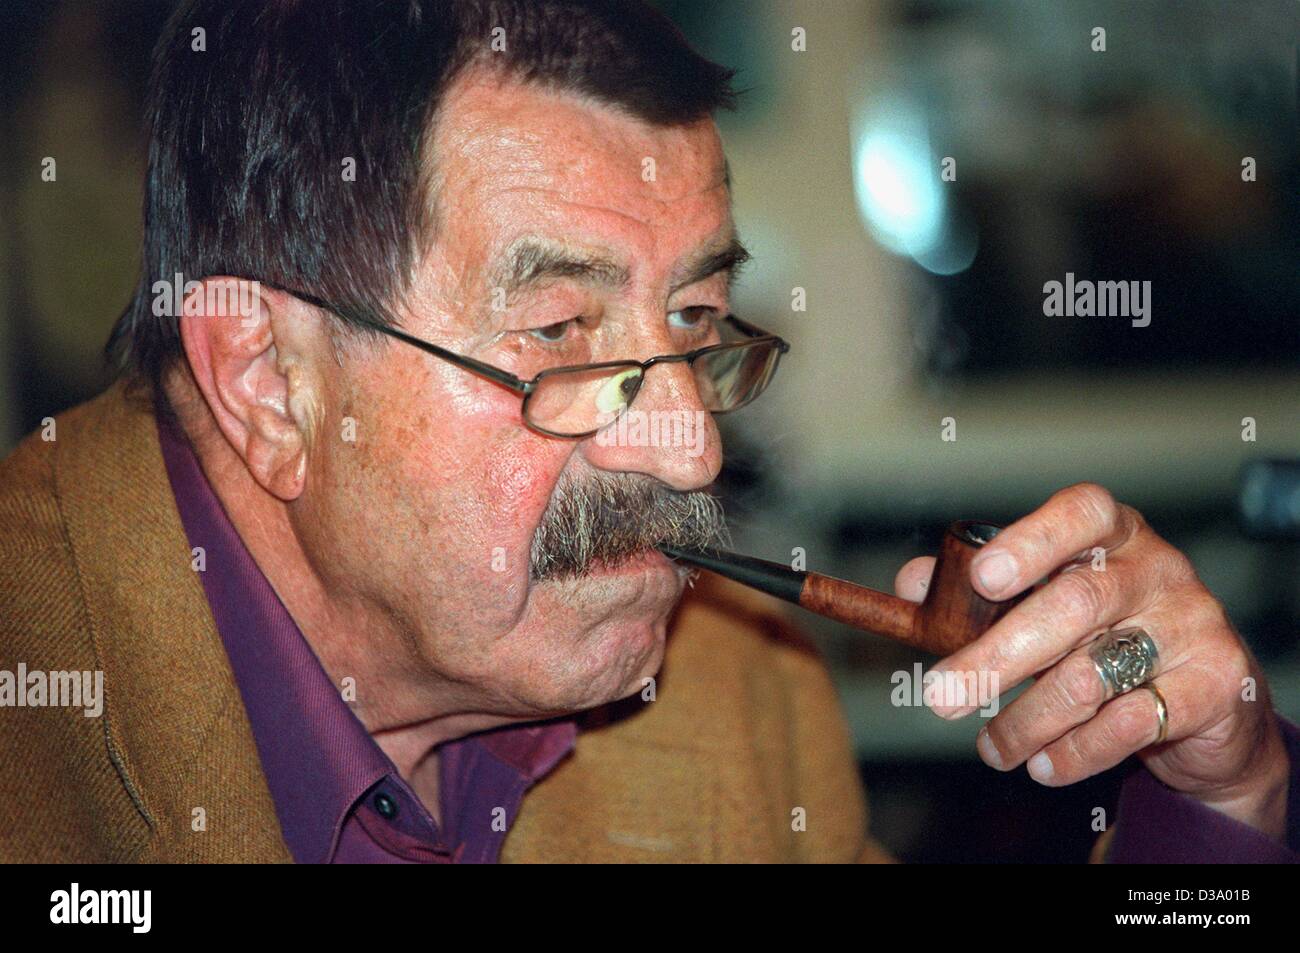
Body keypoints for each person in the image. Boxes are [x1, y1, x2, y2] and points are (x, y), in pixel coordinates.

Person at [1, 0, 1295, 863]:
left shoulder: (735, 699)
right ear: (268, 384)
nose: (693, 450)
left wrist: (1215, 808)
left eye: (697, 315)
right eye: (561, 334)